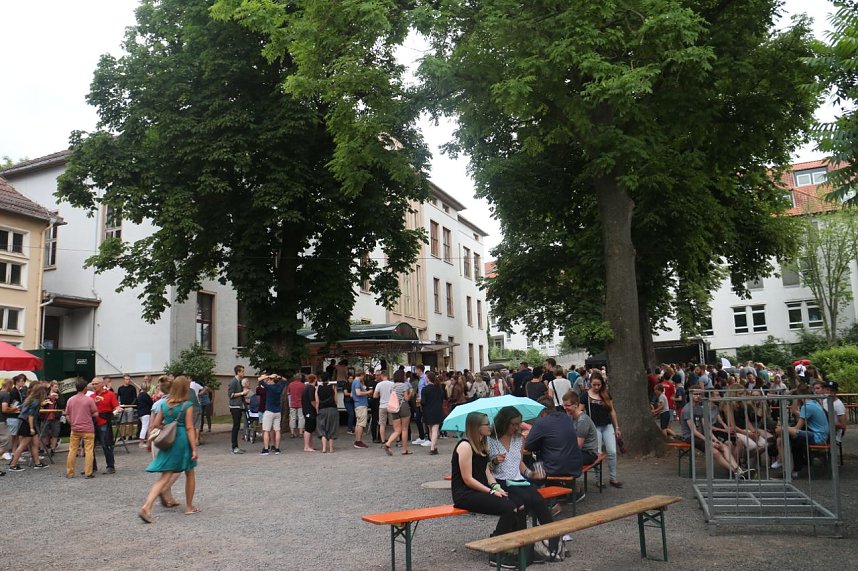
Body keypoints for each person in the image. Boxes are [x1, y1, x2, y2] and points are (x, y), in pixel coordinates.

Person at [451, 412, 526, 570]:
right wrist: (490, 492)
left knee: (519, 505)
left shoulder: (482, 444)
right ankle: (496, 551)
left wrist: (495, 486)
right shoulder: (465, 446)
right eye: (486, 424)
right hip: (465, 494)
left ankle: (516, 547)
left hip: (478, 490)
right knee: (509, 508)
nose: (489, 426)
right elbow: (467, 479)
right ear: (477, 427)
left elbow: (486, 472)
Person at [489, 406, 556, 562]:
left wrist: (531, 474)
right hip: (499, 481)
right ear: (504, 423)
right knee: (522, 501)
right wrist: (493, 461)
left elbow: (519, 465)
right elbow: (484, 468)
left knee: (538, 499)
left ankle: (553, 537)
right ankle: (511, 543)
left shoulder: (519, 438)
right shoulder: (490, 439)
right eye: (513, 424)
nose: (517, 427)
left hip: (517, 479)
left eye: (519, 424)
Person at [139, 376, 199, 523]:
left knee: (165, 476)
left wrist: (168, 426)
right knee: (189, 473)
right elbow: (190, 428)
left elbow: (156, 424)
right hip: (182, 440)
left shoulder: (165, 404)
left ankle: (147, 506)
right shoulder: (187, 405)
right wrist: (194, 449)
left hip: (169, 441)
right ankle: (189, 507)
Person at [681, 390, 744, 478]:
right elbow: (694, 431)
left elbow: (706, 427)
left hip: (702, 436)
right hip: (691, 437)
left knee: (723, 446)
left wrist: (715, 439)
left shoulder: (700, 408)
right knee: (715, 451)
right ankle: (735, 472)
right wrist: (709, 441)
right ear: (690, 395)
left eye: (700, 394)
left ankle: (738, 470)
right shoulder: (687, 409)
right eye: (695, 394)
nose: (698, 396)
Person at [581, 371, 622, 488]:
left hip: (607, 426)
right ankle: (598, 479)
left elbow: (612, 411)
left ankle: (613, 478)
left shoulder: (606, 394)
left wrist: (617, 427)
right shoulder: (585, 396)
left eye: (598, 385)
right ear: (590, 383)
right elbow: (580, 412)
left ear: (602, 384)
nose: (596, 387)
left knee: (612, 452)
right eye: (594, 385)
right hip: (594, 428)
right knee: (597, 454)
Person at [525, 396, 583, 478]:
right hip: (575, 466)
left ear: (541, 410)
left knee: (527, 470)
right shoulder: (566, 418)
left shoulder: (542, 422)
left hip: (554, 468)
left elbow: (528, 445)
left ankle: (536, 488)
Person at [8, 385, 49, 472]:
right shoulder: (36, 402)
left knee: (35, 444)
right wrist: (31, 428)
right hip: (28, 424)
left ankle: (37, 463)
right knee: (22, 445)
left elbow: (21, 408)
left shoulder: (29, 399)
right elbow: (30, 415)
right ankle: (13, 465)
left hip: (22, 422)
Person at [65, 378, 98, 478]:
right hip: (88, 428)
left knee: (72, 450)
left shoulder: (70, 400)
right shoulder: (89, 400)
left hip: (75, 429)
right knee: (89, 451)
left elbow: (67, 414)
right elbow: (96, 413)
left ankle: (70, 472)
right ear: (85, 388)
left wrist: (72, 422)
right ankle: (88, 472)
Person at [90, 377, 120, 474]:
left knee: (106, 445)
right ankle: (91, 467)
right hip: (93, 423)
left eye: (96, 384)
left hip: (104, 422)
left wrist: (117, 411)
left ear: (102, 384)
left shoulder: (110, 395)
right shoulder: (91, 397)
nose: (94, 386)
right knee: (90, 446)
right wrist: (94, 402)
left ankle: (110, 466)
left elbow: (117, 406)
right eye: (93, 384)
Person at [562, 391, 600, 467]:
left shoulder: (582, 420)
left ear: (576, 405)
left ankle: (570, 477)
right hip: (579, 451)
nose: (565, 408)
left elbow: (578, 446)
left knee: (564, 460)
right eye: (564, 405)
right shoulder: (570, 417)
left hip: (589, 453)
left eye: (567, 405)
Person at [382, 370, 412, 456]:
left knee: (397, 430)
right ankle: (404, 449)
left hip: (394, 407)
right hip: (403, 407)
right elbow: (406, 398)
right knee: (404, 429)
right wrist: (410, 394)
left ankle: (388, 443)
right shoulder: (404, 385)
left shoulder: (392, 386)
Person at [259, 374, 286, 455]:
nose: (268, 381)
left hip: (269, 411)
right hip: (277, 412)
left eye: (270, 380)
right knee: (277, 430)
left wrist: (268, 376)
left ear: (272, 380)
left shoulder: (269, 387)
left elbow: (259, 380)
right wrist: (279, 376)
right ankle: (277, 448)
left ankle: (266, 449)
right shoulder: (280, 387)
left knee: (266, 430)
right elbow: (285, 380)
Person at [420, 371, 444, 455]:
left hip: (427, 410)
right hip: (437, 410)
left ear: (428, 378)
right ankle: (433, 447)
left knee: (430, 429)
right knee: (435, 429)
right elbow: (442, 400)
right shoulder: (439, 388)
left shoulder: (425, 389)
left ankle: (433, 446)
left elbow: (423, 402)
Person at [316, 374, 339, 453]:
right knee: (332, 428)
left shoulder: (318, 388)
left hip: (322, 409)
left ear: (321, 380)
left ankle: (324, 448)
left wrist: (317, 411)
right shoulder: (333, 387)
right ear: (328, 379)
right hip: (332, 409)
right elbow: (336, 400)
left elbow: (317, 402)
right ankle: (331, 448)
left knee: (322, 429)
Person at [228, 365, 248, 454]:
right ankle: (234, 447)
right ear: (238, 372)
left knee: (237, 426)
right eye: (242, 371)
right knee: (235, 426)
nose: (244, 373)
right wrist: (242, 393)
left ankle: (236, 446)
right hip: (234, 407)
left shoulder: (239, 381)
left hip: (239, 406)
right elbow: (231, 395)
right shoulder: (233, 382)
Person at [373, 370, 395, 444]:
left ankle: (383, 441)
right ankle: (397, 440)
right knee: (394, 424)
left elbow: (375, 396)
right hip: (391, 406)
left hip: (382, 406)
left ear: (382, 376)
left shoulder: (379, 384)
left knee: (382, 424)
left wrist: (380, 395)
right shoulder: (392, 384)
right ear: (388, 375)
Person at [351, 371, 371, 449]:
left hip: (358, 404)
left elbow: (353, 394)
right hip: (361, 405)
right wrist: (367, 392)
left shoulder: (354, 382)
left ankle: (357, 440)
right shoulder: (357, 383)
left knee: (358, 423)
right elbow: (358, 393)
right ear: (361, 375)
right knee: (361, 424)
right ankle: (358, 441)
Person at [302, 374, 319, 452]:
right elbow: (312, 401)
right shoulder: (311, 389)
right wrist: (317, 408)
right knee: (308, 428)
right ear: (315, 379)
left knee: (311, 428)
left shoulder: (306, 387)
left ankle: (310, 445)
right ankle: (306, 446)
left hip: (306, 410)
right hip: (310, 410)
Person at [136, 379, 154, 449]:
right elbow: (151, 403)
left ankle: (143, 441)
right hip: (145, 413)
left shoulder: (140, 394)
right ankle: (141, 442)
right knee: (145, 427)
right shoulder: (145, 395)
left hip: (140, 413)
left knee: (144, 427)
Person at [287, 373, 305, 438]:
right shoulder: (303, 385)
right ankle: (300, 433)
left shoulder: (290, 384)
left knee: (292, 418)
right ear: (300, 378)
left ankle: (292, 433)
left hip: (292, 403)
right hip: (301, 403)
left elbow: (288, 393)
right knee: (301, 417)